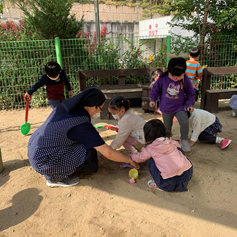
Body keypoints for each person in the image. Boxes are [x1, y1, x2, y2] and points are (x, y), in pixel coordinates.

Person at [27, 87, 139, 188]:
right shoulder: (80, 123)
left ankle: (54, 170)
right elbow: (108, 153)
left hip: (34, 150)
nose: (99, 111)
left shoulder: (67, 107)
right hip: (43, 161)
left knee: (89, 144)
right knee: (89, 152)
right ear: (92, 107)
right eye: (100, 108)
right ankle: (56, 177)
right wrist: (130, 160)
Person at [131, 119, 193, 192]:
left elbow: (140, 158)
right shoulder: (170, 140)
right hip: (187, 175)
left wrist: (131, 155)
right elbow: (178, 146)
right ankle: (182, 168)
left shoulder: (151, 148)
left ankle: (159, 184)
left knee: (151, 161)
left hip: (168, 183)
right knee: (179, 150)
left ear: (147, 134)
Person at [149, 57, 196, 152]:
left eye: (179, 76)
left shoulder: (185, 80)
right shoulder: (162, 78)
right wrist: (153, 99)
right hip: (166, 108)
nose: (176, 78)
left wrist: (190, 104)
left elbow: (191, 93)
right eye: (173, 76)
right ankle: (168, 142)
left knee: (185, 122)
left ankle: (184, 140)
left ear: (184, 72)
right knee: (167, 126)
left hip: (180, 107)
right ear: (168, 71)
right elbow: (155, 89)